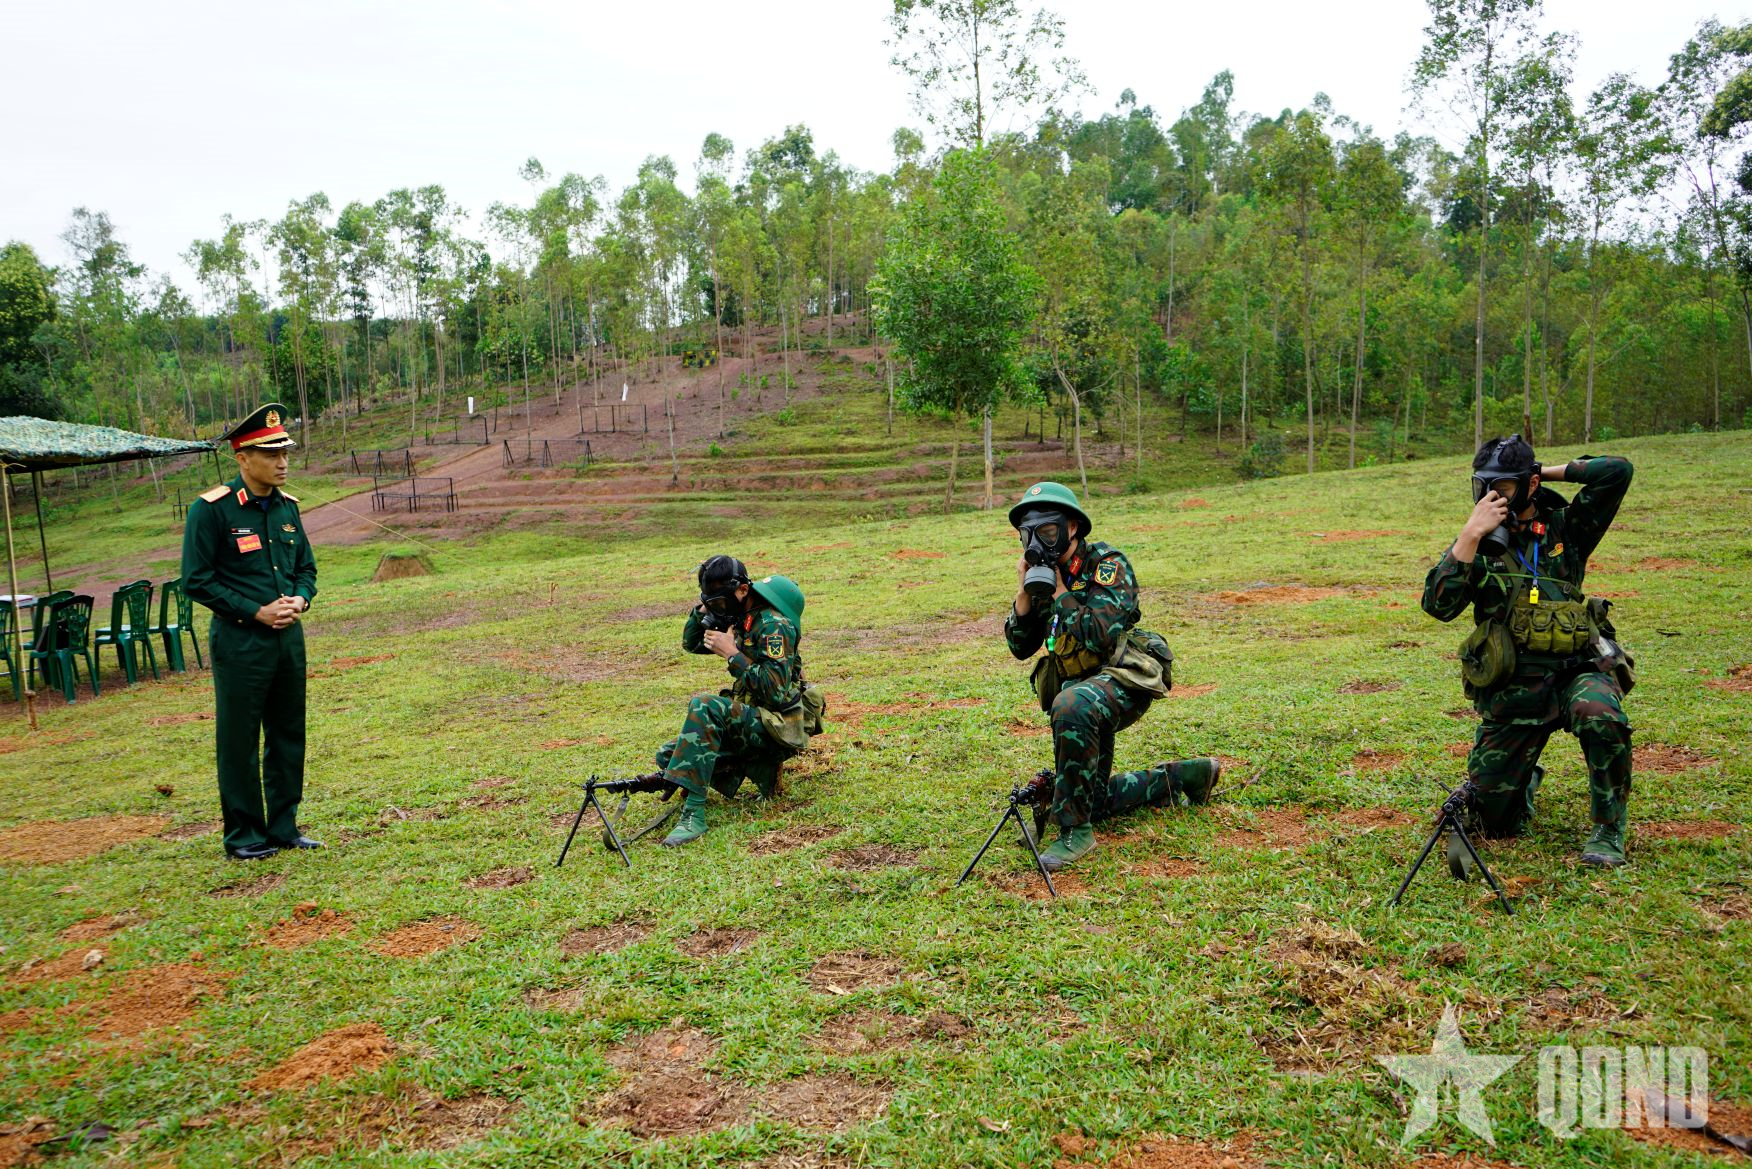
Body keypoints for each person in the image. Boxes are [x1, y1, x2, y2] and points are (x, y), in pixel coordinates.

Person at [1421, 435, 1636, 868]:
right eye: (1482, 485)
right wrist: (1468, 536)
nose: (1491, 496)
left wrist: (1542, 473)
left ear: (1529, 485)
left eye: (1504, 487)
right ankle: (1523, 777)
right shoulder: (1477, 544)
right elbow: (1438, 606)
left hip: (1574, 672)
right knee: (1494, 824)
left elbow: (1617, 470)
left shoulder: (1566, 528)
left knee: (1600, 715)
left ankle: (1608, 829)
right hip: (1513, 692)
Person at [1003, 482, 1219, 871]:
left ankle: (1075, 832)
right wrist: (1024, 595)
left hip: (1123, 679)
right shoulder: (1041, 575)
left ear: (1072, 527)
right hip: (1081, 689)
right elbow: (1020, 647)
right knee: (1093, 797)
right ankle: (1185, 776)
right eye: (1028, 534)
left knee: (1071, 704)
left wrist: (1060, 593)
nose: (1037, 542)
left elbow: (1099, 634)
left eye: (1047, 531)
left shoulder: (1107, 565)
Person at [180, 403, 320, 861]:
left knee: (287, 733)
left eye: (285, 453)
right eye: (270, 453)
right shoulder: (211, 511)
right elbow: (196, 580)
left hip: (288, 640)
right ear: (242, 458)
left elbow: (306, 569)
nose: (282, 463)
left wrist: (299, 599)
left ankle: (283, 826)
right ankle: (244, 834)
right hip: (241, 641)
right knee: (239, 739)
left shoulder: (287, 508)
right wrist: (255, 612)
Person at [654, 556, 825, 847]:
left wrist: (732, 654)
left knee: (704, 705)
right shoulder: (738, 616)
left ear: (743, 590)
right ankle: (763, 769)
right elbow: (692, 643)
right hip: (755, 718)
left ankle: (694, 815)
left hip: (778, 725)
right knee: (671, 757)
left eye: (719, 603)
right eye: (712, 603)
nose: (718, 610)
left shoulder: (773, 626)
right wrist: (702, 611)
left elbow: (775, 693)